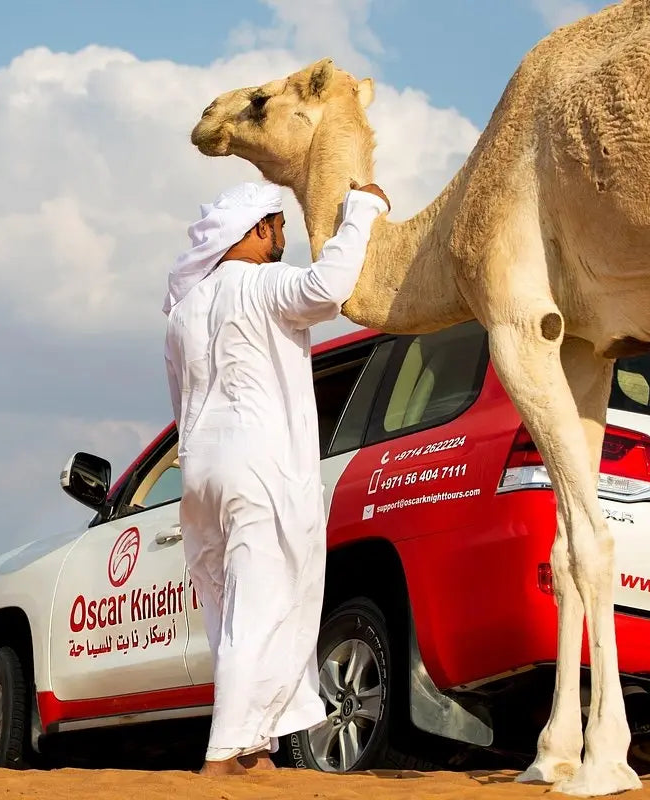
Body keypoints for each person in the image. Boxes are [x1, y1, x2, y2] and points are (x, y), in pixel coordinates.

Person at [162, 178, 390, 776]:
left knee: (231, 609)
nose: (284, 237)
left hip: (201, 470)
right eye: (279, 226)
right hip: (255, 463)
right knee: (261, 606)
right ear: (257, 229)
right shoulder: (262, 286)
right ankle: (220, 758)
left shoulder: (183, 311)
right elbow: (328, 287)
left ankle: (254, 748)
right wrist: (361, 212)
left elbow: (179, 399)